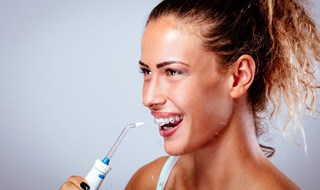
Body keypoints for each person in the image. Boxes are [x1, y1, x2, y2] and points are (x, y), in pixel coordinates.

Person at [60, 0, 320, 189]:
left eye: (172, 72)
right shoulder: (147, 183)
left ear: (239, 76)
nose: (148, 98)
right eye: (146, 72)